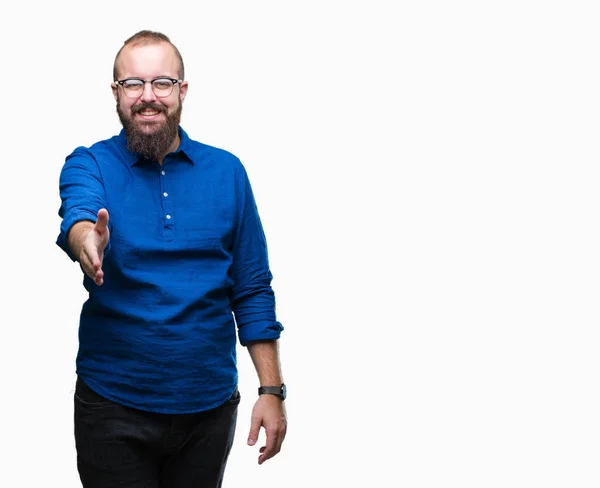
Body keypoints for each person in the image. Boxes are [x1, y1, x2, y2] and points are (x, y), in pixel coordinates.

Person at [56, 30, 287, 488]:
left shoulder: (227, 172)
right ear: (116, 93)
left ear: (182, 90)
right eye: (132, 84)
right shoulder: (91, 163)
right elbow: (79, 213)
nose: (147, 97)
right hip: (112, 407)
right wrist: (87, 241)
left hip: (209, 408)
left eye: (162, 83)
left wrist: (272, 390)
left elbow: (252, 286)